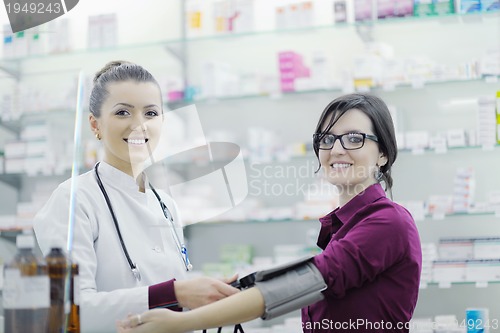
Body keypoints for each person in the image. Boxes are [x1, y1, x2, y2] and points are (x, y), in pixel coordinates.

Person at [116, 93, 422, 333]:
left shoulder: (388, 222)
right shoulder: (344, 224)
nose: (337, 149)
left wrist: (179, 323)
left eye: (354, 138)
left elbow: (311, 279)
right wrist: (232, 292)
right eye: (327, 139)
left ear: (383, 153)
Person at [33, 60, 239, 333]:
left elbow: (171, 306)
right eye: (122, 113)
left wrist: (209, 296)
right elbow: (71, 312)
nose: (139, 125)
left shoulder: (166, 204)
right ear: (95, 125)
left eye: (151, 113)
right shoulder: (73, 200)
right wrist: (176, 293)